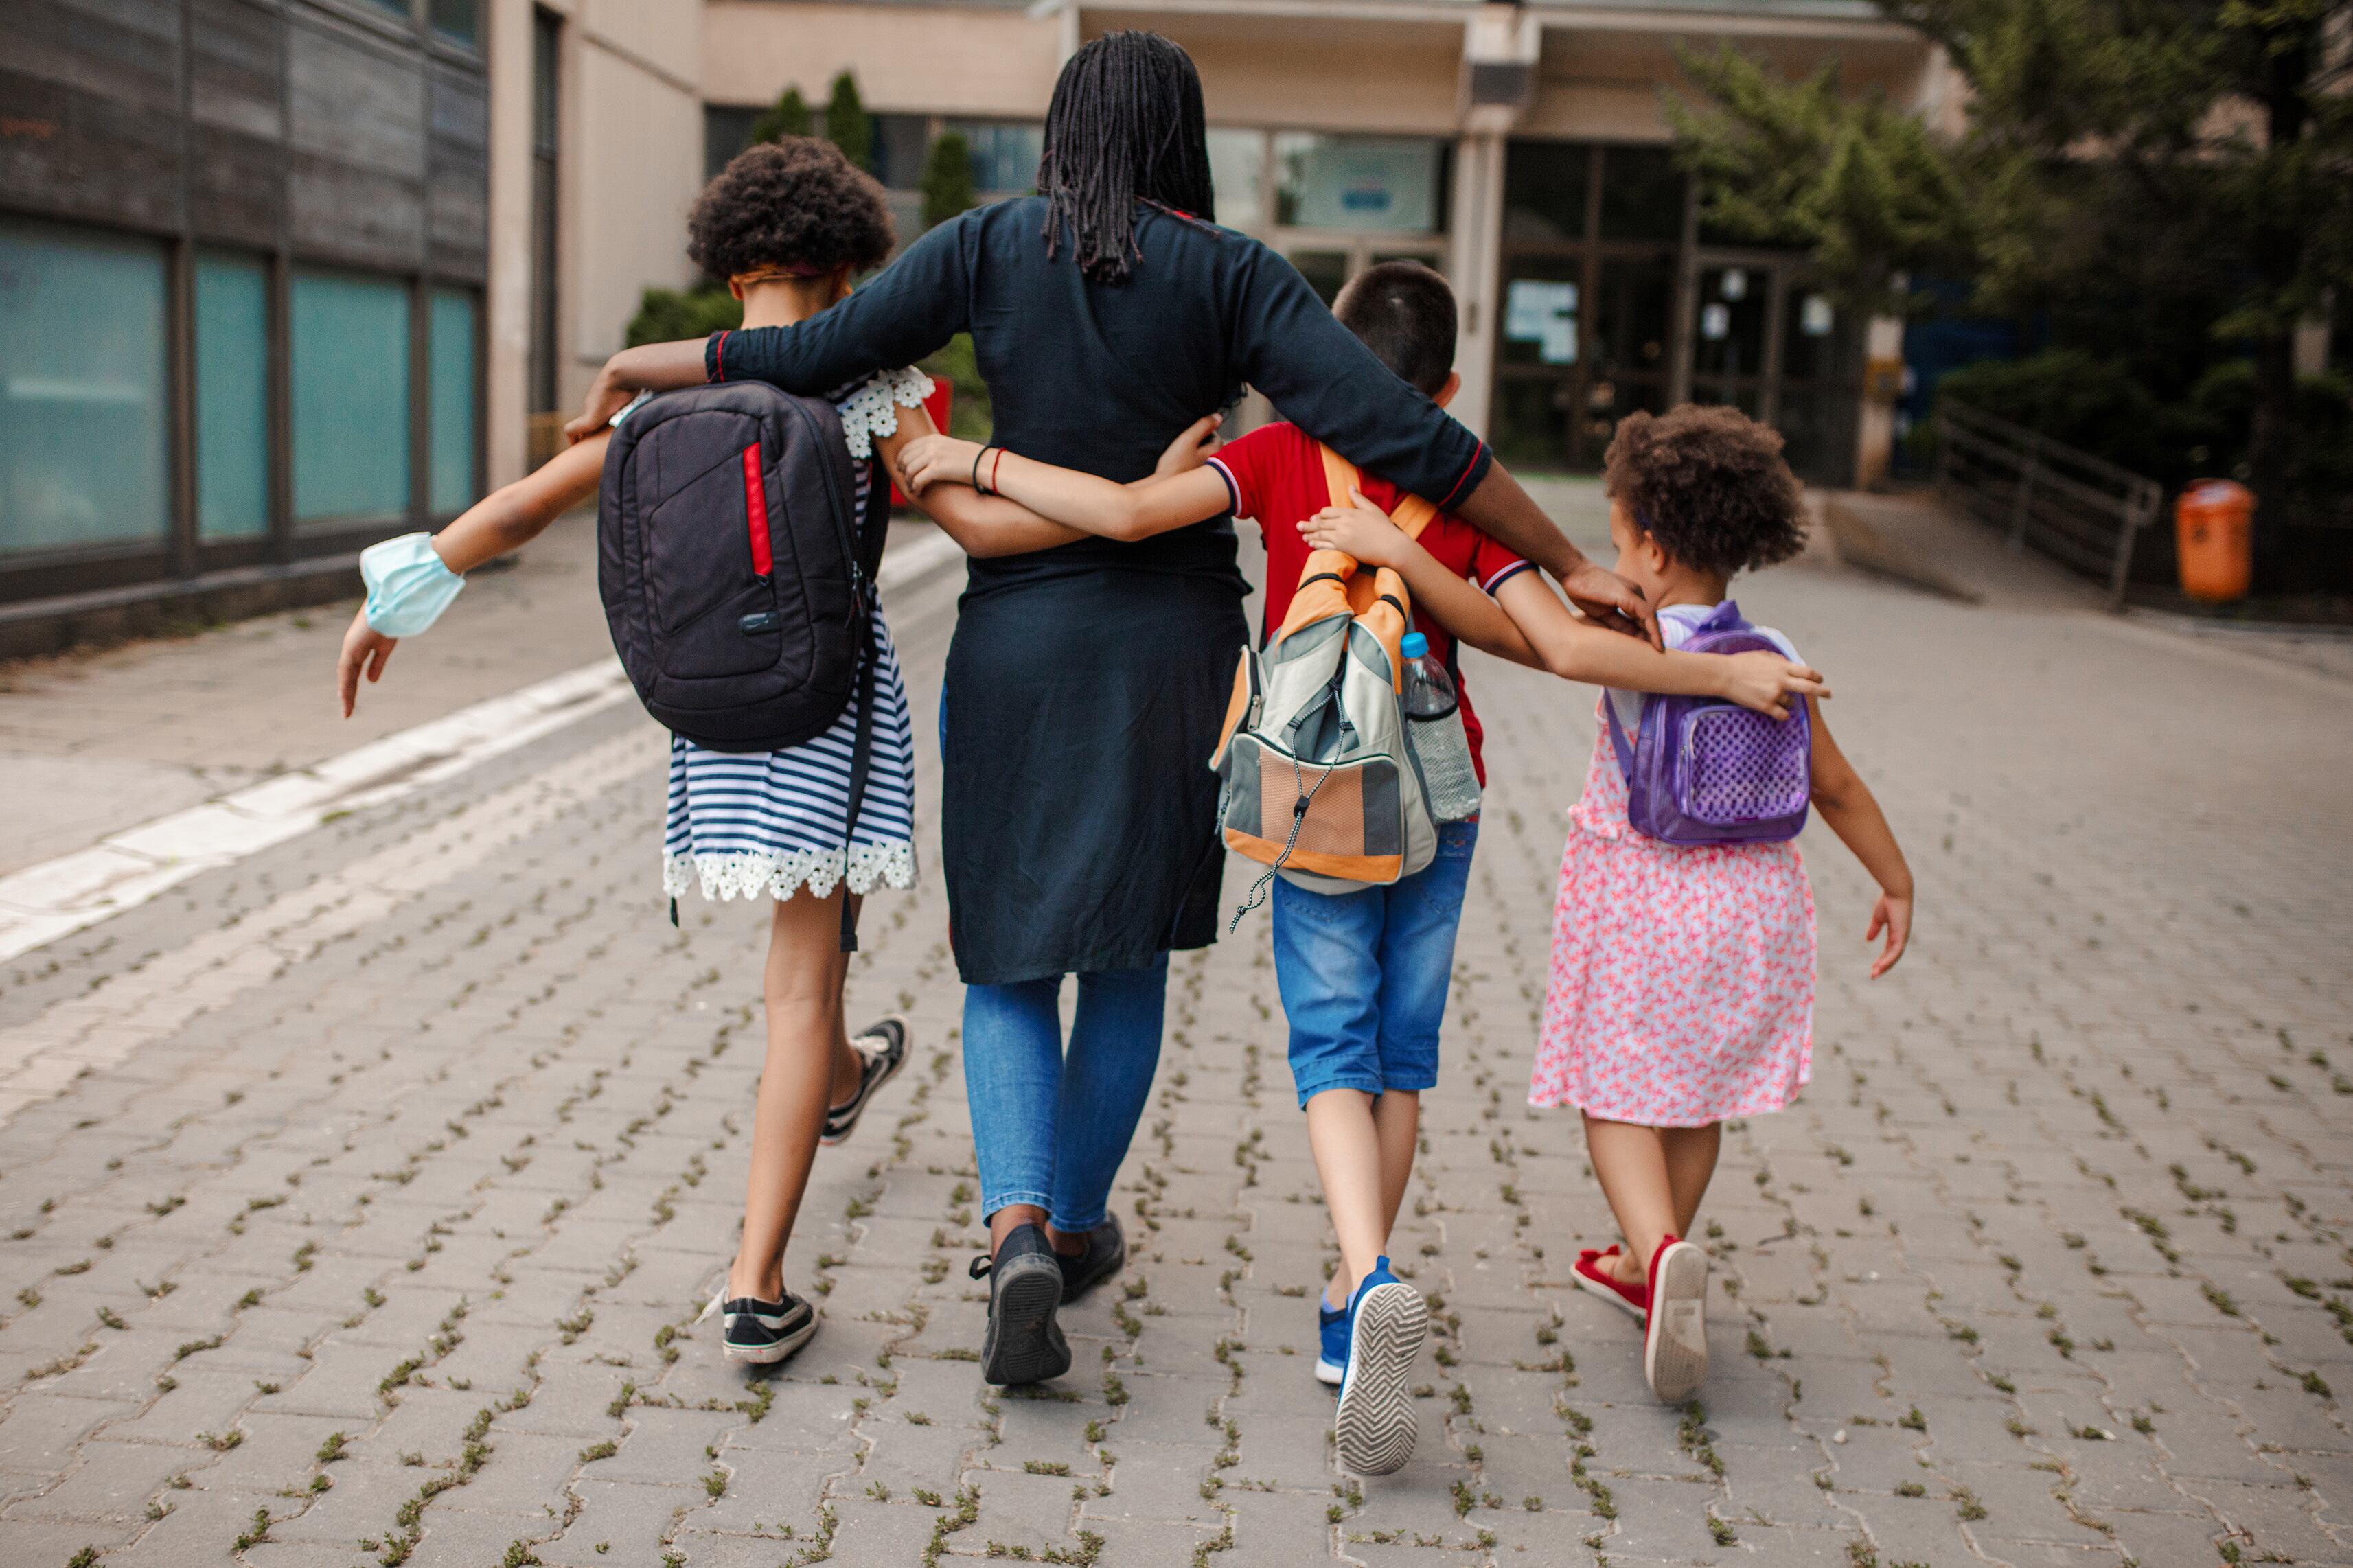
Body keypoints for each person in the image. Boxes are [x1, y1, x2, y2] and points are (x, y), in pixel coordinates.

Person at [564, 31, 1664, 1390]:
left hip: (1019, 643)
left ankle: (1016, 1220)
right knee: (1127, 958)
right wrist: (1568, 560)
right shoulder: (1231, 272)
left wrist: (636, 363)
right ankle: (1075, 1225)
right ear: (1180, 135)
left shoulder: (985, 244)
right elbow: (1407, 435)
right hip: (1174, 653)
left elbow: (807, 349)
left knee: (1007, 957)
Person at [899, 261, 1826, 1470]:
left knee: (1329, 1047)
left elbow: (1123, 517)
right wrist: (1727, 672)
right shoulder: (1457, 475)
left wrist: (966, 460)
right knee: (1397, 1057)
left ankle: (1368, 1281)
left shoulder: (1282, 453)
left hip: (1317, 789)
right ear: (1445, 384)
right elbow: (1556, 646)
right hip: (1443, 797)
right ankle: (1352, 1291)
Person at [332, 138, 1115, 1368]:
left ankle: (849, 1071)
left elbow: (530, 502)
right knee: (799, 984)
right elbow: (970, 521)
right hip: (828, 713)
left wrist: (403, 589)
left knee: (810, 974)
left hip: (709, 719)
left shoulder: (662, 401)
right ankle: (756, 1286)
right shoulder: (870, 383)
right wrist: (1133, 505)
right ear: (849, 264)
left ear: (728, 266)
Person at [1523, 406, 1914, 1404]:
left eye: (1616, 543)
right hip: (1753, 908)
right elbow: (1834, 787)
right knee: (1695, 1097)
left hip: (1643, 898)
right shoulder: (1772, 648)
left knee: (1615, 1094)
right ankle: (1651, 1260)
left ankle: (1655, 1259)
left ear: (1649, 549)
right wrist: (1895, 880)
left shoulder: (1636, 639)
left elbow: (1536, 630)